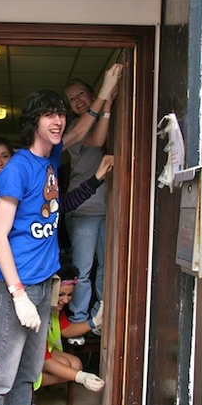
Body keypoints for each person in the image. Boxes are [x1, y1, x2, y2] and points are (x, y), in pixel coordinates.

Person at [0, 76, 118, 405]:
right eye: (49, 115)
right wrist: (18, 293)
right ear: (33, 123)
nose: (58, 121)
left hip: (44, 286)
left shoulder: (50, 160)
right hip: (18, 290)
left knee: (26, 377)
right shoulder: (17, 169)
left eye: (61, 114)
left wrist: (106, 93)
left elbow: (81, 133)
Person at [0, 136, 113, 395]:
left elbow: (63, 205)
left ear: (14, 160)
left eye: (4, 156)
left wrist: (96, 179)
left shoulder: (27, 191)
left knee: (23, 354)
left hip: (19, 285)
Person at [62, 64, 122, 345]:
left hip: (108, 206)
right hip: (83, 206)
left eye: (81, 94)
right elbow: (98, 141)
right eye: (72, 99)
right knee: (82, 269)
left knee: (106, 267)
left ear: (89, 92)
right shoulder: (75, 127)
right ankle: (77, 321)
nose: (78, 100)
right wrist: (108, 101)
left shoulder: (103, 120)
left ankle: (99, 317)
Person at [33, 253, 105, 394]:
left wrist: (94, 322)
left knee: (76, 364)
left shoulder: (54, 308)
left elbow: (65, 330)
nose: (66, 300)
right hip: (31, 356)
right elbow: (43, 358)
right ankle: (25, 388)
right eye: (60, 295)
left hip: (45, 351)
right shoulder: (35, 310)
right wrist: (80, 378)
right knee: (68, 367)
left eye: (69, 295)